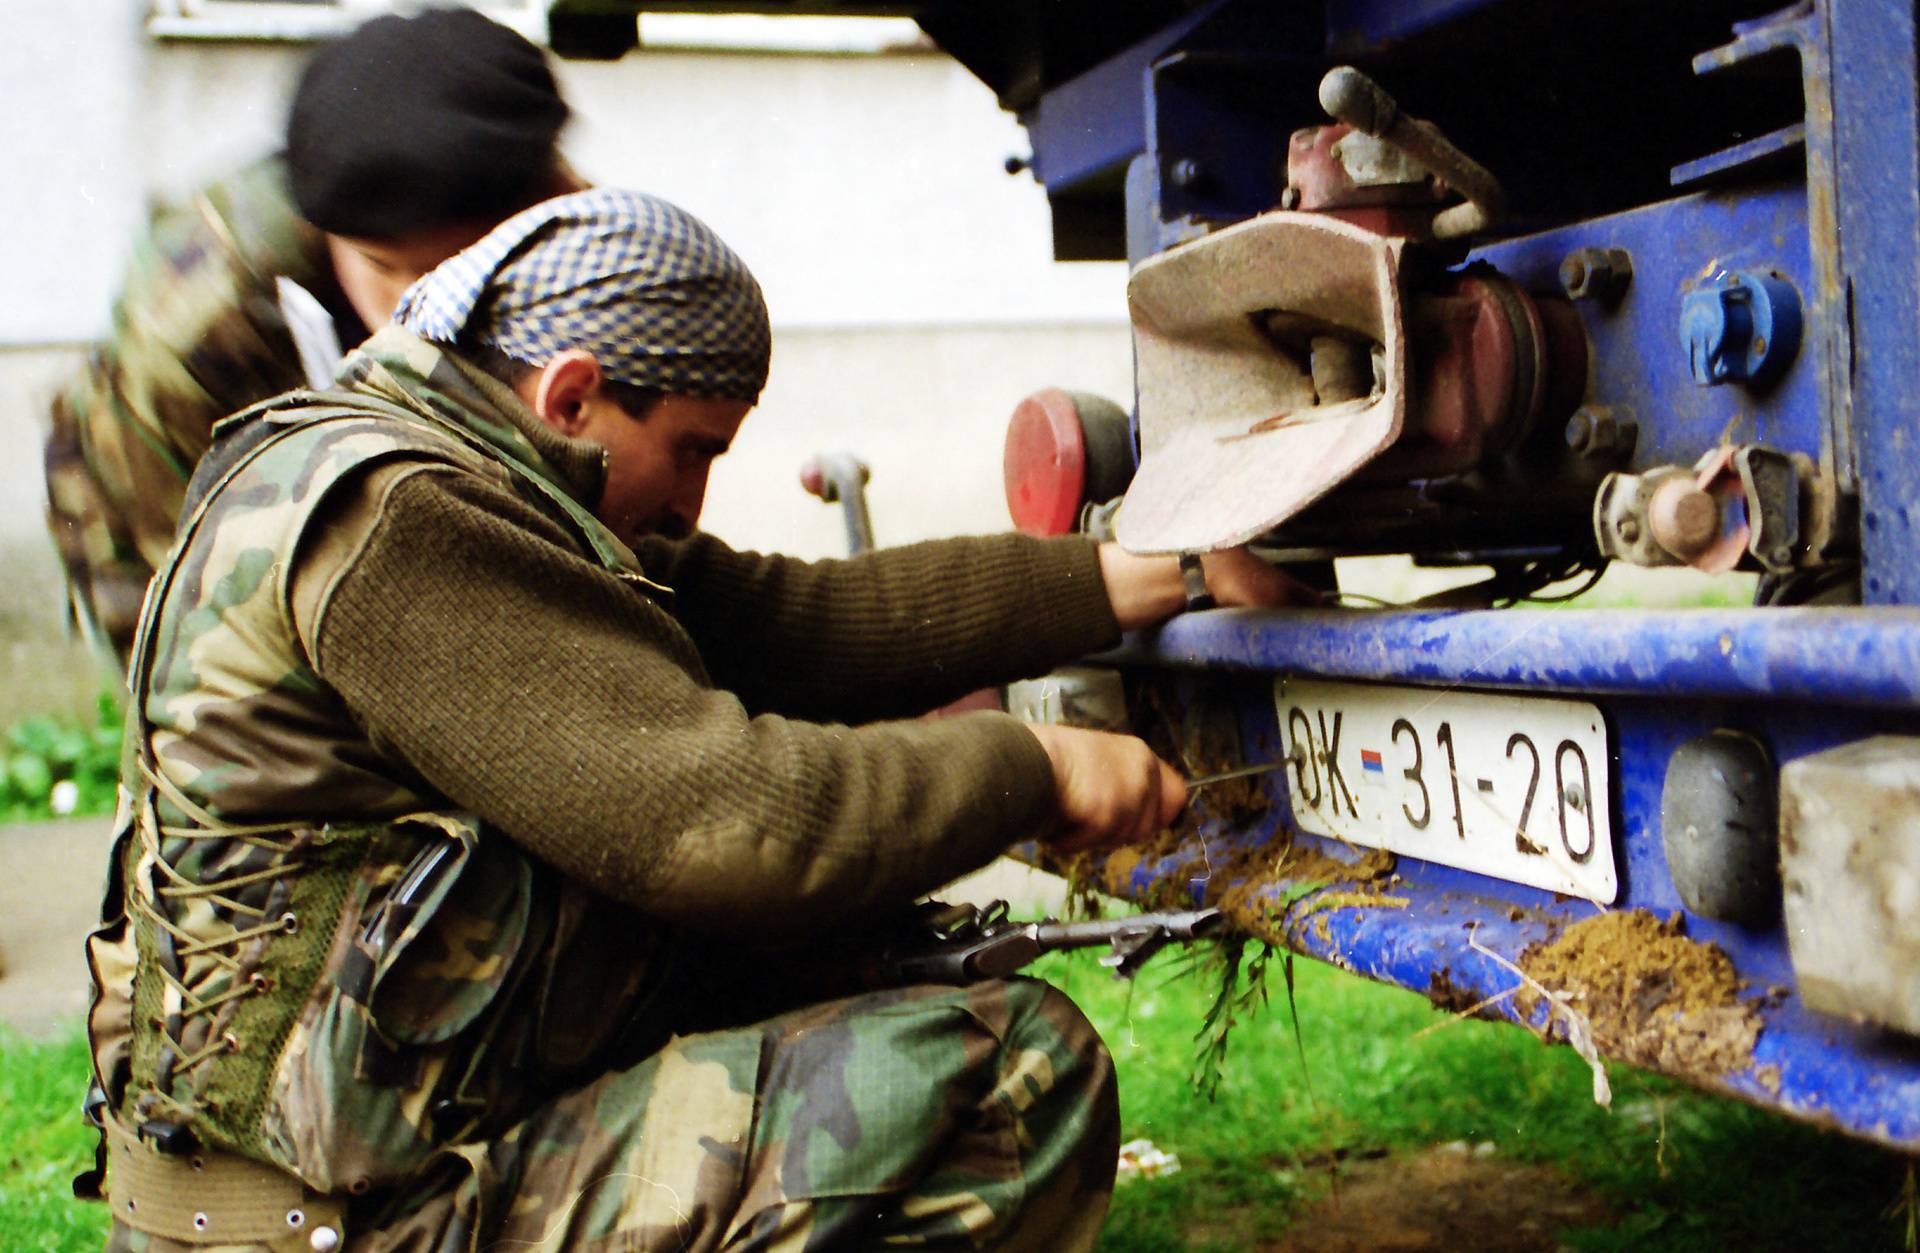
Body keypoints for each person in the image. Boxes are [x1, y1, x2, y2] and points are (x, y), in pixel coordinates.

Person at [81, 188, 1307, 1251]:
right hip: (351, 1217)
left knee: (856, 961)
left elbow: (796, 619)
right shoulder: (401, 524)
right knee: (1002, 1073)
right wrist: (1030, 766)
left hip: (369, 1161)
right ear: (570, 393)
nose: (696, 494)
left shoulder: (475, 474)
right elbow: (734, 825)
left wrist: (1150, 568)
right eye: (691, 449)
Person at [43, 8, 581, 670]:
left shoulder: (563, 214)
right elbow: (199, 605)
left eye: (470, 267)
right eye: (393, 271)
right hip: (163, 522)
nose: (431, 303)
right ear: (330, 233)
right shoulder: (198, 319)